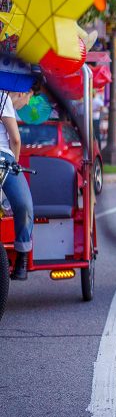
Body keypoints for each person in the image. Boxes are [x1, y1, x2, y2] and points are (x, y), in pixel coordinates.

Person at [1, 80, 38, 280]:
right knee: (24, 204)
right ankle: (22, 257)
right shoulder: (2, 97)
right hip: (3, 158)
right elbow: (15, 139)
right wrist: (15, 164)